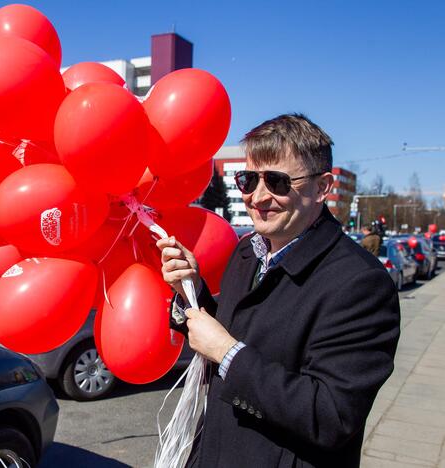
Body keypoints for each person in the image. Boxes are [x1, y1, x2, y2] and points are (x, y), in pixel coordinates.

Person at [157, 114, 400, 468]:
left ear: (322, 188)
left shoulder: (360, 282)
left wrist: (226, 353)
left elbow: (331, 416)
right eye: (247, 179)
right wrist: (190, 291)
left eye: (277, 182)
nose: (257, 196)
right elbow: (234, 332)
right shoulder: (246, 251)